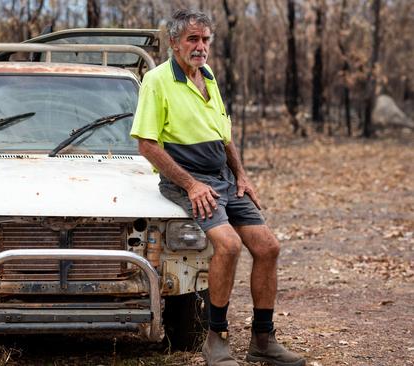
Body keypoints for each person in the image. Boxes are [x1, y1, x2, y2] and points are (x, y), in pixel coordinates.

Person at [130, 10, 306, 366]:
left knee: (269, 247)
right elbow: (147, 144)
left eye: (205, 40)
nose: (200, 47)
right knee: (228, 246)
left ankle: (262, 340)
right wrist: (192, 184)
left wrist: (241, 174)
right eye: (193, 40)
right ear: (175, 43)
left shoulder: (207, 76)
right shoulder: (157, 80)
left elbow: (223, 135)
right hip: (188, 180)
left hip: (224, 180)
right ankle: (216, 338)